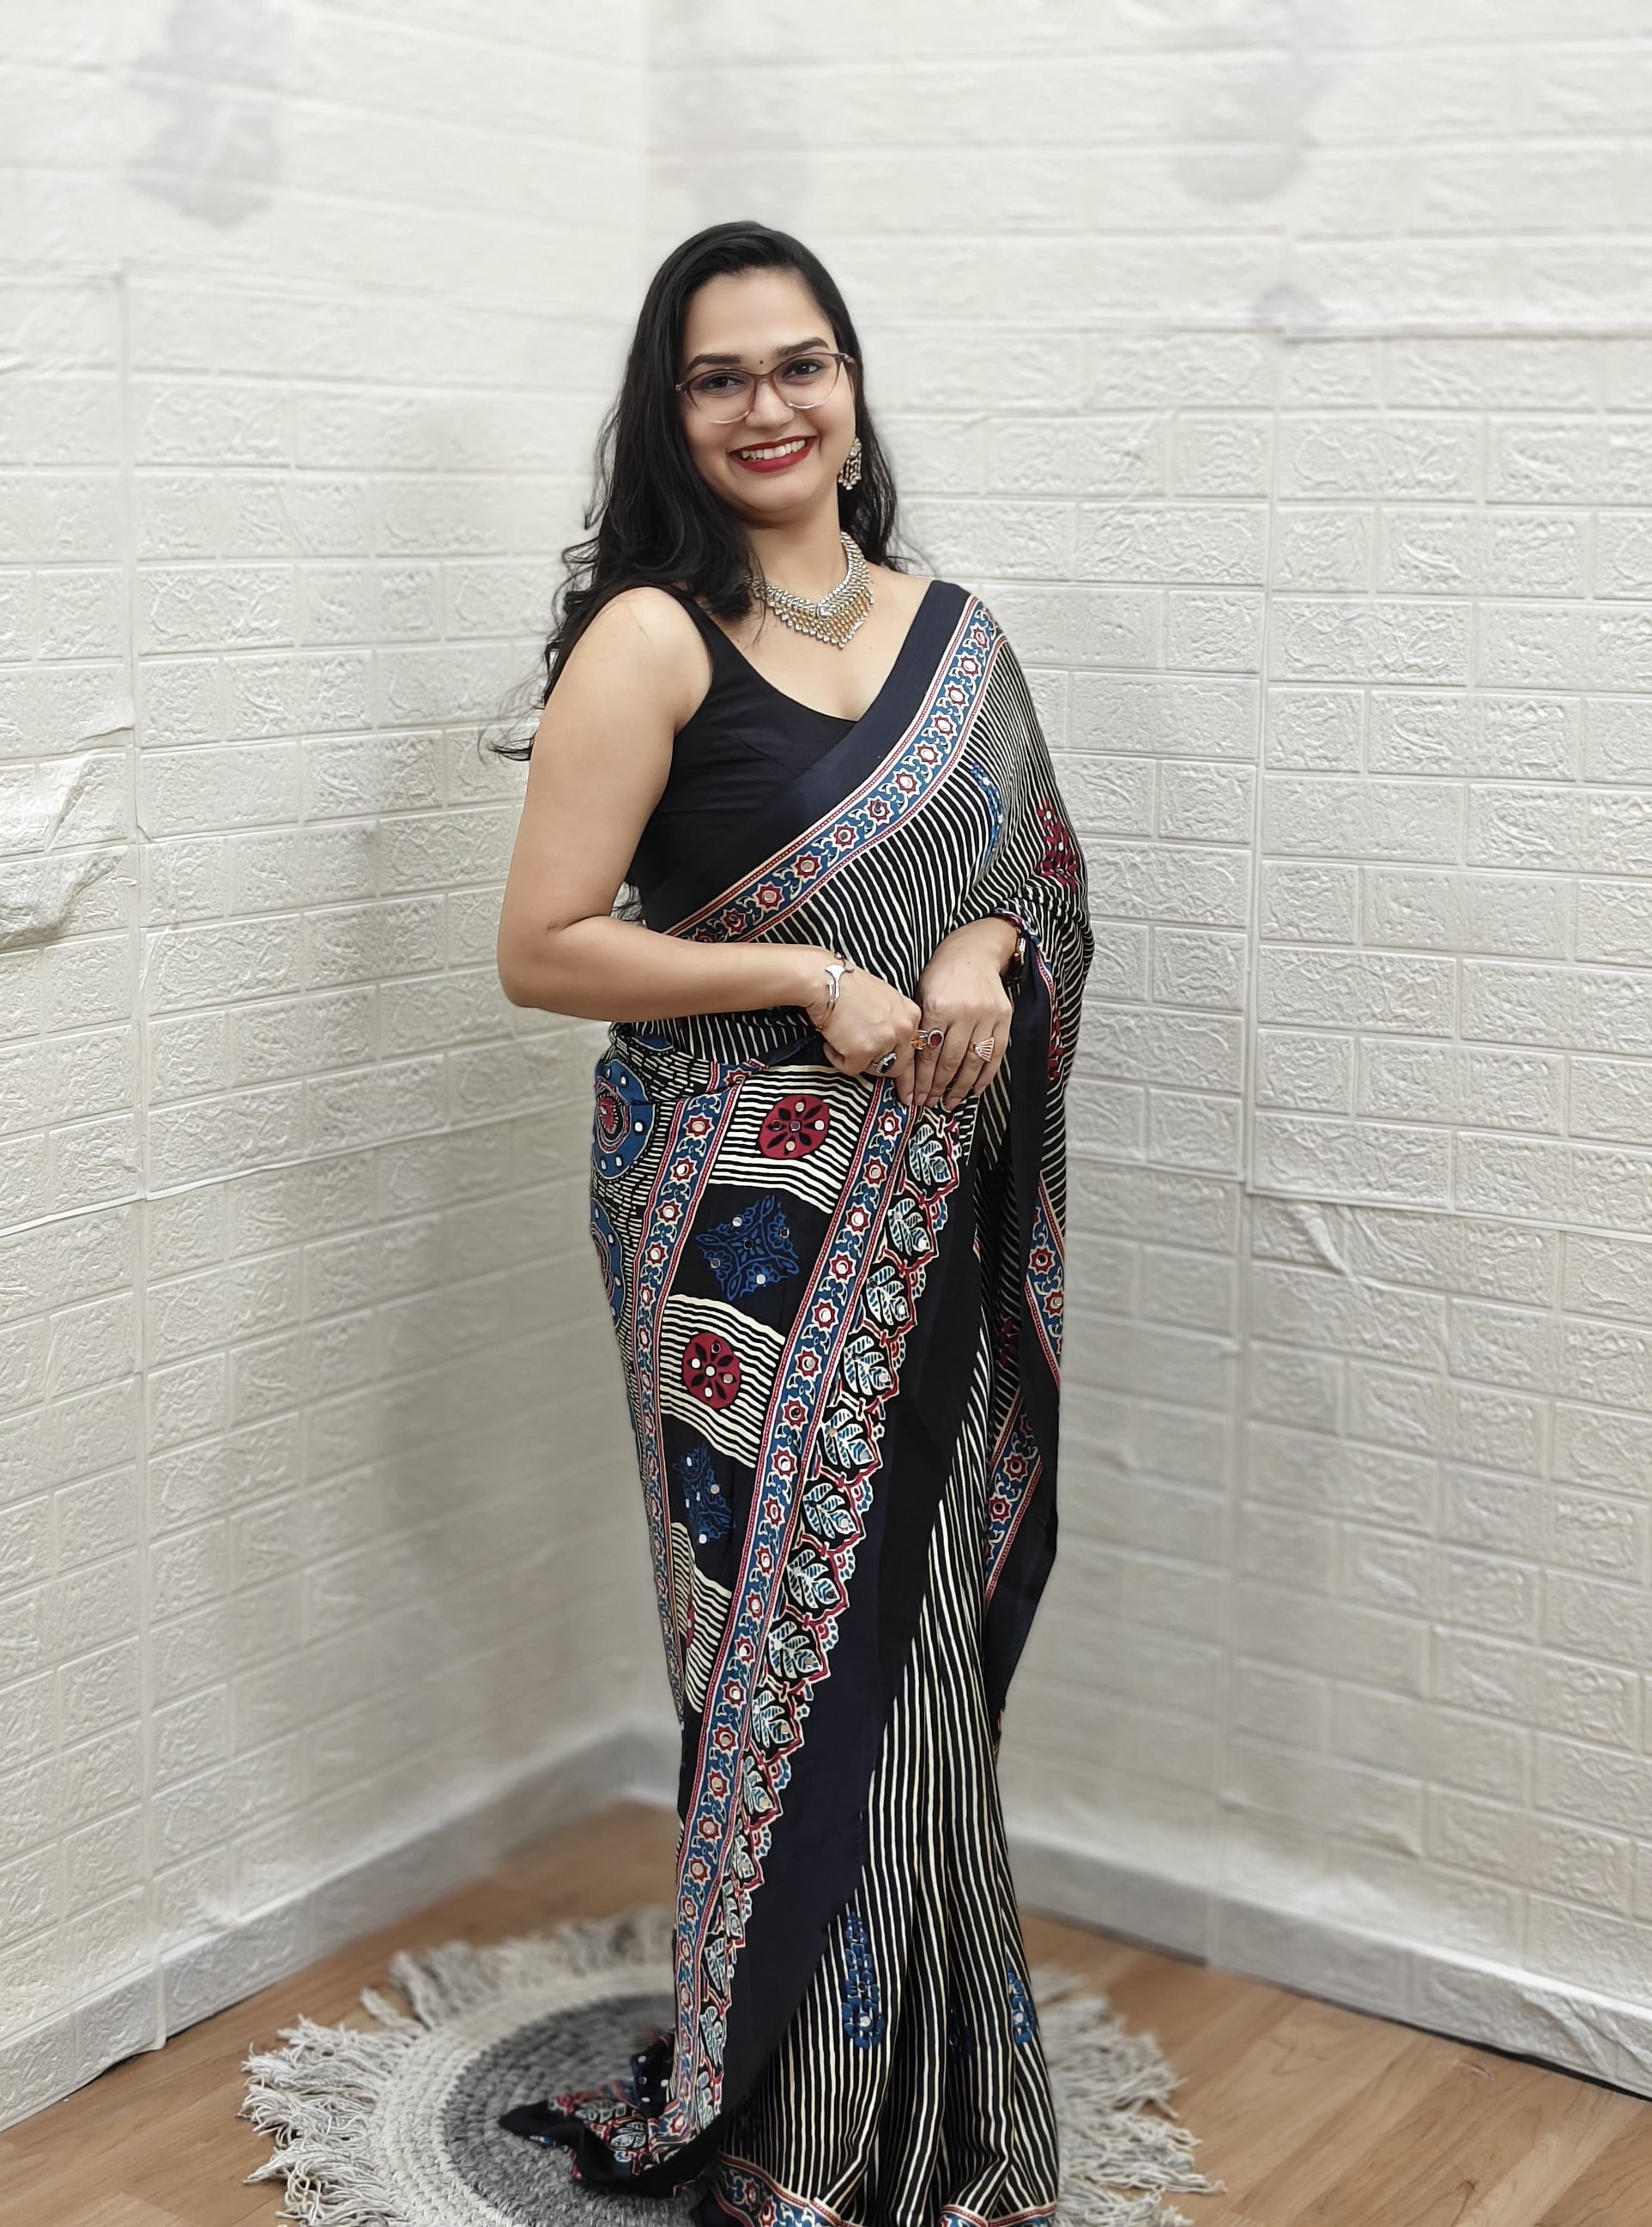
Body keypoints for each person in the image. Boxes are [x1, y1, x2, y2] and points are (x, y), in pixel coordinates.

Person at [493, 220, 1092, 2227]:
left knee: (918, 1657)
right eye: (718, 374)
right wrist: (800, 974)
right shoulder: (652, 639)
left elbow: (1038, 877)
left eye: (798, 362)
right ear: (671, 411)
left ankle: (936, 2096)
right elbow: (545, 945)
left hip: (935, 1209)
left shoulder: (957, 632)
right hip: (741, 1241)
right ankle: (800, 2119)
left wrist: (984, 950)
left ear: (848, 382)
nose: (767, 405)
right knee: (792, 1652)